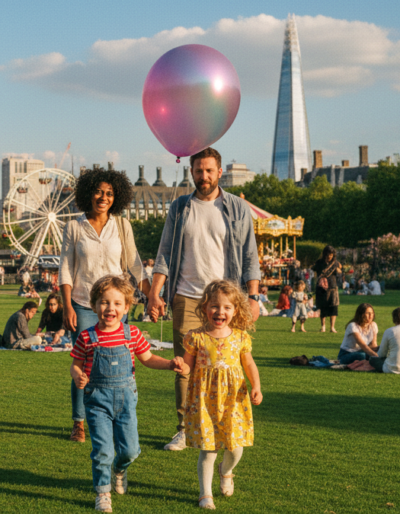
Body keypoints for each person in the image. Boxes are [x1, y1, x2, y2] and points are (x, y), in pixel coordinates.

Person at [145, 147, 260, 451]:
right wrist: (155, 293)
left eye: (209, 171)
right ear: (191, 172)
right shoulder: (181, 208)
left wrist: (253, 296)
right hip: (187, 296)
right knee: (185, 365)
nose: (204, 176)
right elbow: (165, 254)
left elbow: (250, 255)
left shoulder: (237, 208)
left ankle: (226, 423)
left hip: (226, 301)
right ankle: (185, 427)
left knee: (228, 364)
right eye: (198, 171)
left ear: (220, 172)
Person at [69, 275, 186, 512]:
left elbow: (148, 358)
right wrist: (77, 375)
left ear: (126, 307)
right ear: (94, 305)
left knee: (130, 450)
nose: (110, 308)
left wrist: (169, 364)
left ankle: (120, 469)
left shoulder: (131, 334)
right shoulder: (86, 337)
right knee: (102, 450)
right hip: (97, 401)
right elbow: (76, 363)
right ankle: (103, 493)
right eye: (104, 302)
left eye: (116, 303)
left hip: (125, 401)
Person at [59, 166, 148, 444]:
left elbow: (134, 263)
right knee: (85, 365)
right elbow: (65, 268)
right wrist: (67, 306)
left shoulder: (122, 226)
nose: (103, 197)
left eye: (109, 193)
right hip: (84, 303)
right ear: (88, 193)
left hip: (117, 305)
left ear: (116, 197)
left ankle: (117, 413)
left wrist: (151, 295)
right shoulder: (74, 227)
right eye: (98, 191)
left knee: (119, 361)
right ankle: (79, 421)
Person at [181, 280, 261, 510]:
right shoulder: (195, 337)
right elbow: (188, 366)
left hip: (233, 400)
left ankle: (226, 471)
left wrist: (256, 386)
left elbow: (249, 364)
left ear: (235, 310)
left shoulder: (239, 337)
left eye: (227, 307)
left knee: (235, 448)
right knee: (209, 448)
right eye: (215, 306)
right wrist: (180, 366)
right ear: (205, 307)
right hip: (204, 400)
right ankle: (205, 493)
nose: (220, 311)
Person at [312, 246, 343, 333]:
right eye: (328, 254)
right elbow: (314, 271)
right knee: (323, 307)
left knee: (333, 307)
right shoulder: (319, 263)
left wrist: (339, 270)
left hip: (332, 286)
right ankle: (323, 327)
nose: (329, 256)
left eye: (331, 254)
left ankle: (332, 327)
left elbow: (340, 273)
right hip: (321, 287)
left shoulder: (336, 263)